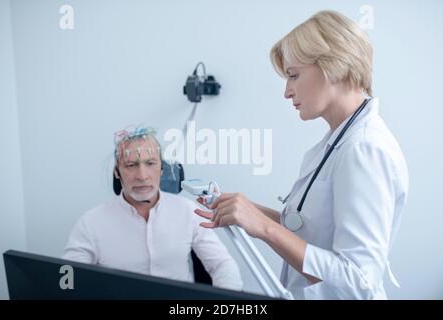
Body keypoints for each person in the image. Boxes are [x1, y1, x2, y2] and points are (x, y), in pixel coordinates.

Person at [194, 10, 408, 299]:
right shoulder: (340, 139)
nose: (287, 91)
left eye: (293, 75)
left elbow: (358, 280)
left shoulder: (364, 148)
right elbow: (309, 229)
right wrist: (245, 210)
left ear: (335, 66)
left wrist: (265, 227)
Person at [63, 125, 242, 291]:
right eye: (131, 165)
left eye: (150, 163)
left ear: (162, 169)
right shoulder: (92, 222)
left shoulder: (188, 211)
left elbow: (222, 265)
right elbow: (68, 280)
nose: (142, 176)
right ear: (117, 172)